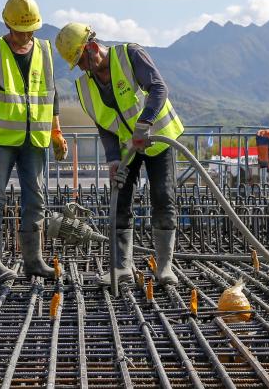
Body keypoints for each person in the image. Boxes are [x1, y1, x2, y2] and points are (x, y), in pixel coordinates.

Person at [54, 22, 184, 286]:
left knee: (162, 197)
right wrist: (113, 159)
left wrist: (144, 124)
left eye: (81, 60)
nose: (81, 68)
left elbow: (158, 88)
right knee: (120, 199)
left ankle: (165, 267)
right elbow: (104, 124)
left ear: (92, 47)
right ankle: (122, 267)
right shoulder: (85, 86)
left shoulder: (130, 55)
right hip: (127, 149)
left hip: (158, 139)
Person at [0, 0, 68, 283]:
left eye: (29, 30)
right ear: (7, 24)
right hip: (2, 139)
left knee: (37, 198)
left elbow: (52, 94)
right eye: (20, 30)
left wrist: (56, 130)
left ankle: (34, 261)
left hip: (36, 140)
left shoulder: (44, 49)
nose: (25, 35)